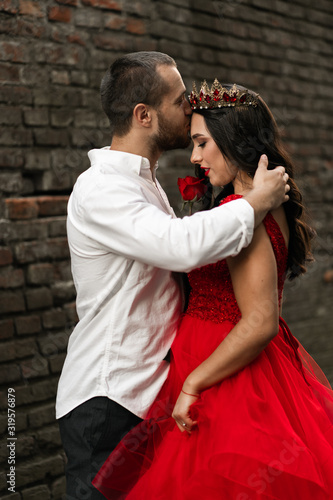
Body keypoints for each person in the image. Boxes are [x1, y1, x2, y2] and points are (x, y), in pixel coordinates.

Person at [56, 52, 289, 500]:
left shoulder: (146, 183)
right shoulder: (102, 188)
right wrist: (255, 202)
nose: (190, 106)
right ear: (144, 115)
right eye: (180, 100)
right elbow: (178, 247)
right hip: (109, 397)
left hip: (150, 391)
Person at [93, 81, 333, 500]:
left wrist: (193, 385)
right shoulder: (255, 203)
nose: (194, 157)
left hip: (229, 375)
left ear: (233, 140)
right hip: (212, 358)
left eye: (202, 143)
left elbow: (260, 321)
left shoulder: (244, 212)